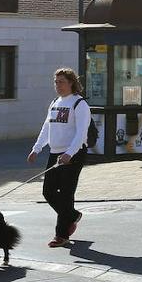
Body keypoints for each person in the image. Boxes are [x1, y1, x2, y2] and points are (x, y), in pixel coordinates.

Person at [29, 67, 91, 248]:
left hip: (73, 153)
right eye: (56, 82)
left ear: (71, 82)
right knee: (48, 191)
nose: (58, 86)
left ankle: (61, 235)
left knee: (65, 194)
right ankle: (72, 216)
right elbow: (47, 128)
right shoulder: (55, 102)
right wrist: (37, 148)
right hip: (55, 152)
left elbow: (81, 133)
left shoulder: (79, 104)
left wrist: (69, 153)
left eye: (61, 82)